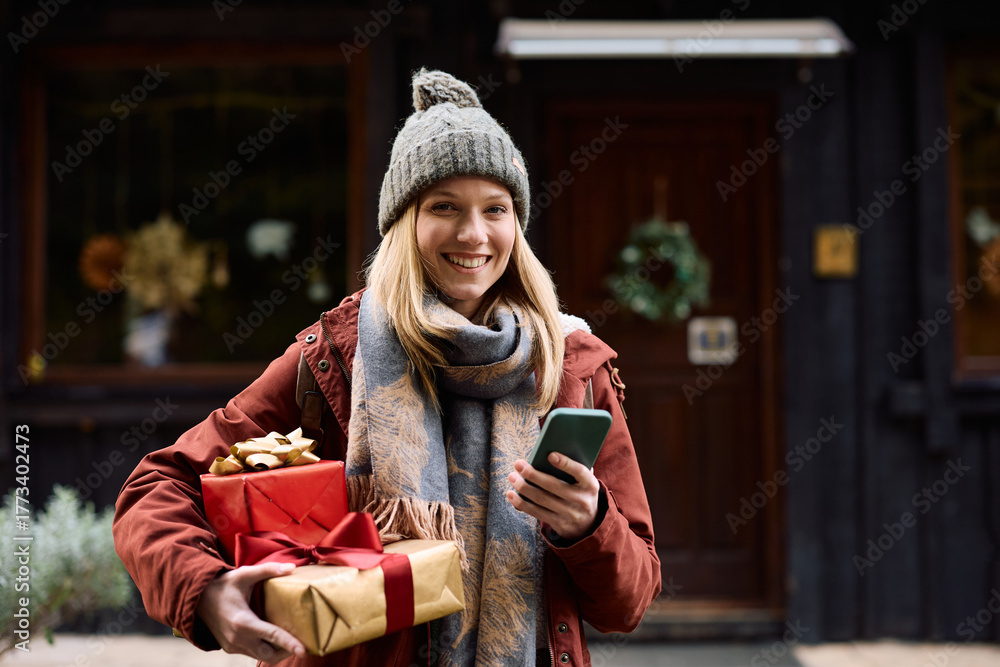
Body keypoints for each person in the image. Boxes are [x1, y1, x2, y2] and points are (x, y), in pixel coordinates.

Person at [114, 68, 660, 667]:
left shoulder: (573, 366)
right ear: (404, 222)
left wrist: (590, 525)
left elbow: (626, 605)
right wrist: (207, 591)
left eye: (496, 209)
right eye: (444, 206)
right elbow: (155, 489)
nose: (474, 233)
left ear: (517, 224)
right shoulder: (335, 359)